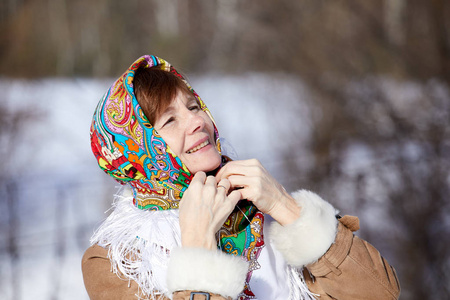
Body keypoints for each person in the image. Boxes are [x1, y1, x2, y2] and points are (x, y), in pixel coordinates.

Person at [82, 55, 400, 300]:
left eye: (194, 106)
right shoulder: (120, 258)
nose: (196, 122)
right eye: (169, 121)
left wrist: (287, 207)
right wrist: (198, 250)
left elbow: (380, 293)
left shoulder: (260, 212)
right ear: (137, 150)